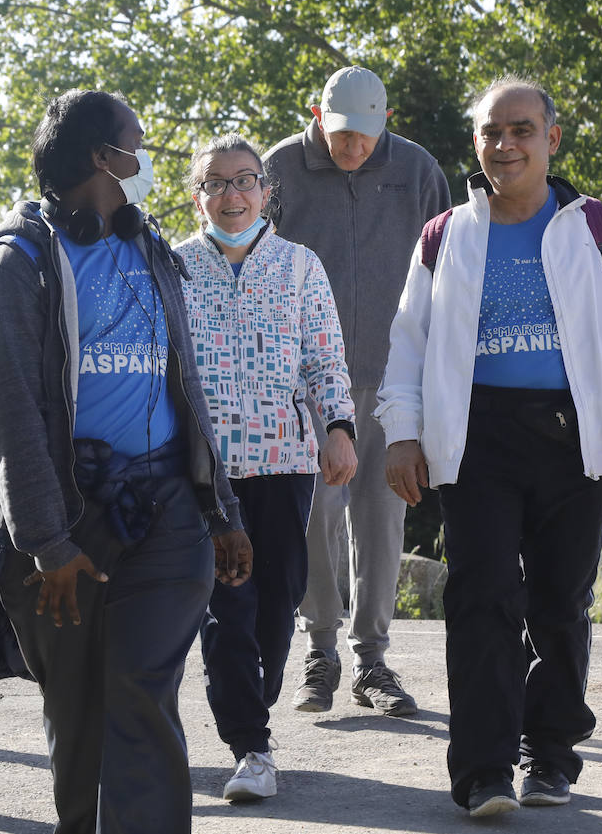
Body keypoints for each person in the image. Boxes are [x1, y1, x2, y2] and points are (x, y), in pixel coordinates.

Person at [376, 75, 602, 816]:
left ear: (552, 139)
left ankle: (549, 754)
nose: (504, 145)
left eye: (520, 131)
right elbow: (408, 344)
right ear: (475, 142)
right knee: (479, 594)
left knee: (559, 601)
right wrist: (402, 432)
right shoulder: (446, 234)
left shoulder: (598, 228)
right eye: (490, 133)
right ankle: (481, 770)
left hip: (577, 437)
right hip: (476, 436)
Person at [0, 90, 254, 834]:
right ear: (104, 157)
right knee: (79, 720)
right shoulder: (21, 262)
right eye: (137, 141)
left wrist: (220, 507)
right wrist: (49, 542)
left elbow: (186, 384)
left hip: (165, 508)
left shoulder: (148, 245)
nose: (146, 157)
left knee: (140, 688)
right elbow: (9, 414)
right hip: (62, 521)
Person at [263, 65, 451, 716]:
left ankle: (374, 659)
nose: (352, 148)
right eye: (341, 135)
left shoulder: (420, 170)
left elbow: (446, 274)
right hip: (306, 384)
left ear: (387, 124)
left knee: (383, 516)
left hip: (392, 379)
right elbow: (254, 262)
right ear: (317, 115)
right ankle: (321, 650)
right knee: (315, 519)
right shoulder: (279, 168)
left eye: (365, 137)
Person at [174, 133, 358, 801]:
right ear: (198, 196)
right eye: (216, 183)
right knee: (227, 608)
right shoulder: (172, 267)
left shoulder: (301, 266)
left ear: (266, 190)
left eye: (245, 180)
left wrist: (338, 427)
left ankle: (257, 695)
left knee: (278, 601)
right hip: (205, 471)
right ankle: (251, 744)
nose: (232, 195)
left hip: (285, 460)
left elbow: (325, 359)